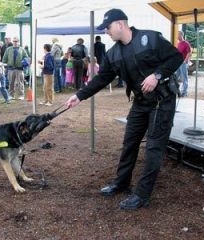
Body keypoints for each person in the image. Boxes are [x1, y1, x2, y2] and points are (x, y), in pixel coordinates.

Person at [65, 8, 183, 210]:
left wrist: (156, 75)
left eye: (108, 27)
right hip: (140, 102)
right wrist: (79, 95)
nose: (106, 32)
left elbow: (176, 58)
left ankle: (142, 195)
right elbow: (102, 79)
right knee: (129, 142)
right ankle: (121, 183)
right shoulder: (113, 53)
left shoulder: (151, 38)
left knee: (153, 148)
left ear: (120, 24)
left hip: (162, 101)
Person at [176, 31, 191, 97]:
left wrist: (185, 61)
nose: (177, 36)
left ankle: (184, 92)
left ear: (182, 35)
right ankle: (176, 91)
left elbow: (189, 52)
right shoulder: (179, 43)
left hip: (183, 63)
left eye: (178, 35)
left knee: (184, 78)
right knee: (176, 77)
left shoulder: (186, 43)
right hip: (178, 63)